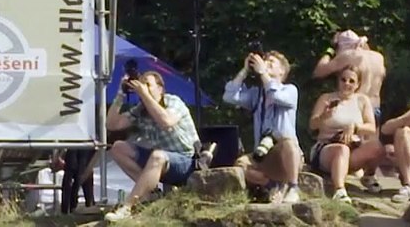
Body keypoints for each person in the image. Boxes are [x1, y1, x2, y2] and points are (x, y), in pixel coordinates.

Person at [103, 70, 200, 223]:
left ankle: (128, 207)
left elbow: (166, 122)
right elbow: (112, 124)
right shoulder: (141, 110)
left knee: (158, 156)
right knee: (118, 147)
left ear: (160, 89)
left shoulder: (173, 101)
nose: (143, 88)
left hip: (187, 161)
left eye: (148, 84)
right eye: (142, 84)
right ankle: (152, 193)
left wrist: (144, 94)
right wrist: (121, 94)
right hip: (161, 161)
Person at [224, 50, 303, 204]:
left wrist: (263, 73)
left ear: (282, 71)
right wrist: (244, 70)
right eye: (264, 61)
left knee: (288, 142)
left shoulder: (290, 90)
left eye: (271, 62)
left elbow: (275, 95)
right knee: (241, 165)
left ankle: (293, 187)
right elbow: (229, 96)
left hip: (284, 154)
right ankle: (273, 186)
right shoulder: (256, 94)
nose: (265, 64)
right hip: (263, 154)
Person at [314, 29, 388, 192]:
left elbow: (319, 71)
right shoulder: (378, 57)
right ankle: (368, 176)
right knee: (362, 146)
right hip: (374, 106)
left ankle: (349, 177)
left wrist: (329, 49)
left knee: (367, 147)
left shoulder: (349, 56)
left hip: (358, 105)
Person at [307, 66, 383, 203]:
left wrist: (355, 127)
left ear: (357, 84)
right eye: (343, 80)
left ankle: (368, 176)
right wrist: (323, 116)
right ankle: (339, 190)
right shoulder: (327, 98)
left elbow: (371, 127)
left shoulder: (362, 101)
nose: (347, 84)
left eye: (351, 81)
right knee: (342, 150)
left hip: (353, 146)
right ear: (338, 81)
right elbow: (312, 125)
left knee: (376, 147)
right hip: (327, 147)